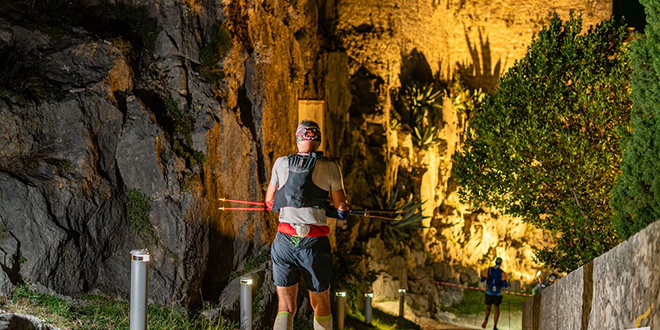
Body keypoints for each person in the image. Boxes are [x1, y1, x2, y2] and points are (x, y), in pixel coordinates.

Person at [265, 120, 348, 330]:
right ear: (318, 142)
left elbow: (270, 202)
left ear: (298, 139)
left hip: (284, 240)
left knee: (285, 305)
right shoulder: (330, 166)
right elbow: (342, 206)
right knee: (321, 303)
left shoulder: (281, 163)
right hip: (314, 243)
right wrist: (335, 209)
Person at [480, 257, 508, 330]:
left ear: (495, 262)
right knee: (496, 309)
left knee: (488, 307)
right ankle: (495, 326)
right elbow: (505, 284)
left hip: (489, 291)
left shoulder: (489, 270)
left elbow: (482, 280)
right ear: (501, 263)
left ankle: (486, 318)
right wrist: (507, 285)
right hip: (498, 293)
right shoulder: (502, 273)